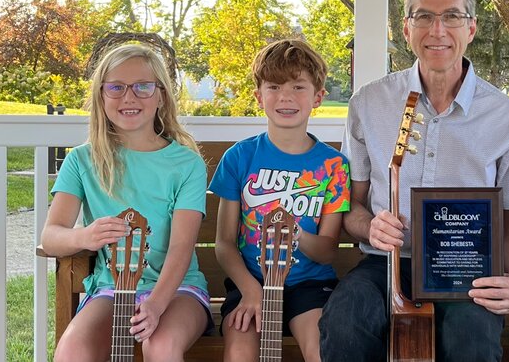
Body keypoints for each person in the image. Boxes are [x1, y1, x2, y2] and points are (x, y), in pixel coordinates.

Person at [319, 0, 509, 362]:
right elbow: (351, 204)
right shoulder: (369, 103)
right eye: (424, 16)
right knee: (345, 322)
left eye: (452, 16)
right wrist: (371, 226)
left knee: (471, 340)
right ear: (406, 29)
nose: (438, 30)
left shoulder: (507, 117)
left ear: (471, 28)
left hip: (465, 273)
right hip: (384, 265)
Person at [41, 44, 210, 362]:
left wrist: (156, 305)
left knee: (160, 345)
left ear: (160, 95)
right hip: (112, 287)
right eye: (116, 87)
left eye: (143, 87)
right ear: (101, 96)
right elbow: (51, 237)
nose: (129, 97)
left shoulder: (186, 164)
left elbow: (181, 248)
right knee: (71, 351)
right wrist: (84, 237)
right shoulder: (81, 160)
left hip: (177, 290)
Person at [209, 39, 351, 362]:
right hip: (251, 282)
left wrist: (297, 237)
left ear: (318, 98)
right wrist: (250, 289)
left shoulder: (333, 166)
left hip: (310, 286)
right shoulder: (239, 158)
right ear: (259, 97)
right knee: (239, 353)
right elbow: (224, 243)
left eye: (298, 86)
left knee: (320, 352)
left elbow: (328, 248)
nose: (286, 96)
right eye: (274, 86)